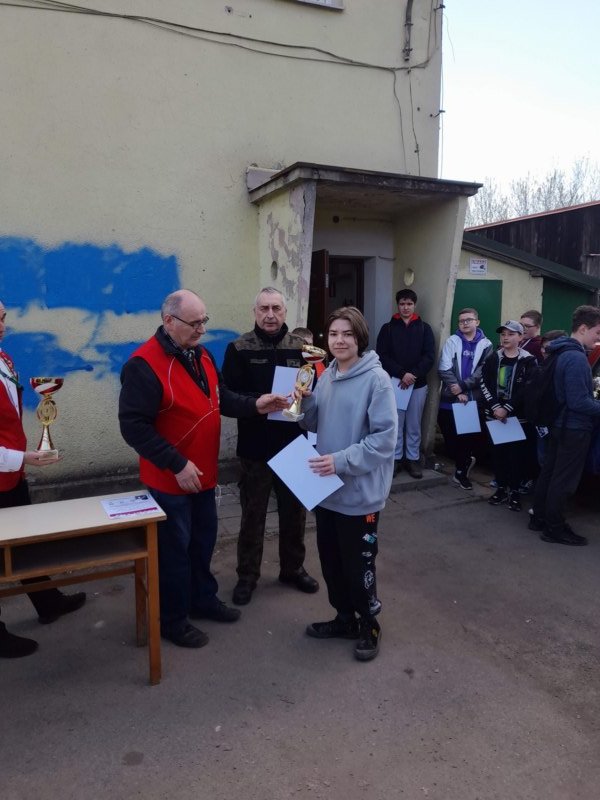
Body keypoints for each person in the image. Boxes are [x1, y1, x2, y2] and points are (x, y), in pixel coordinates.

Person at [119, 289, 289, 648]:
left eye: (204, 321)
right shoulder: (143, 364)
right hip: (171, 479)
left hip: (203, 475)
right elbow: (133, 427)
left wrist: (256, 405)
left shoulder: (202, 354)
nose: (201, 329)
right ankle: (172, 620)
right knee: (173, 552)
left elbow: (220, 397)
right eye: (194, 323)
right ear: (169, 321)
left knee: (201, 543)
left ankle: (202, 599)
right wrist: (176, 463)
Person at [295, 307, 397, 661]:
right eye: (334, 334)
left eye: (347, 334)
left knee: (359, 565)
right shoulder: (326, 375)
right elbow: (314, 424)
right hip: (326, 490)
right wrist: (304, 403)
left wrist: (340, 461)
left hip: (359, 495)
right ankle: (344, 619)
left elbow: (384, 440)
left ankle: (369, 624)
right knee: (331, 562)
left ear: (360, 338)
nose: (339, 340)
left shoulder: (377, 380)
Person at [222, 288, 319, 605]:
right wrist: (256, 403)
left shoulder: (303, 349)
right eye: (263, 308)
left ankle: (293, 568)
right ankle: (247, 576)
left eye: (276, 308)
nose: (270, 314)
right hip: (256, 447)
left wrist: (309, 394)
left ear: (285, 312)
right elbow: (226, 398)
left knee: (295, 514)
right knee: (253, 515)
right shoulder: (239, 348)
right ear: (255, 312)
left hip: (293, 445)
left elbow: (314, 389)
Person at [0, 299, 86, 659]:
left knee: (26, 544)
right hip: (8, 467)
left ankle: (47, 601)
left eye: (3, 317)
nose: (2, 325)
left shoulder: (4, 358)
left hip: (11, 474)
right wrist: (25, 457)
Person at [529, 305, 600, 546]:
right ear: (583, 328)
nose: (597, 338)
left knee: (549, 473)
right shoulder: (576, 358)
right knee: (564, 480)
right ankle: (555, 528)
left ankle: (539, 518)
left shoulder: (559, 351)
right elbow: (579, 402)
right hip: (573, 428)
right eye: (597, 332)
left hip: (558, 424)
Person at [376, 289, 434, 479]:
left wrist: (413, 375)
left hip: (418, 384)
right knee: (396, 423)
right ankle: (395, 458)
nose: (406, 307)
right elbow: (382, 356)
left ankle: (412, 459)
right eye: (402, 304)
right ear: (397, 305)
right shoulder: (388, 328)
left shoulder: (425, 328)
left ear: (414, 305)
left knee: (414, 424)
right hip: (395, 383)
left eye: (409, 304)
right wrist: (402, 374)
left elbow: (429, 356)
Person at [480, 320, 536, 512]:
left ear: (521, 337)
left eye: (511, 334)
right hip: (495, 416)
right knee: (498, 455)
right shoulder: (493, 358)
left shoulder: (528, 360)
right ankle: (501, 489)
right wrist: (496, 407)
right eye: (503, 334)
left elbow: (527, 388)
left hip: (516, 418)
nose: (505, 337)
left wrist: (508, 408)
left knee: (516, 457)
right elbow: (484, 382)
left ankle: (515, 492)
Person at [438, 308, 493, 490]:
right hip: (450, 398)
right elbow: (444, 368)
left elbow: (483, 371)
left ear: (477, 322)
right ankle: (465, 461)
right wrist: (456, 389)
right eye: (461, 321)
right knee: (450, 438)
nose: (465, 323)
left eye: (469, 320)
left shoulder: (486, 344)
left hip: (471, 399)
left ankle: (461, 472)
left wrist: (463, 386)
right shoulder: (452, 341)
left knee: (466, 438)